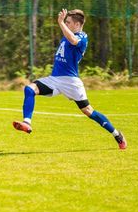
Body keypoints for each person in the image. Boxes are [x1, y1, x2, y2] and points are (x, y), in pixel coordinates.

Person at [13, 8, 127, 150]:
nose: (65, 24)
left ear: (77, 24)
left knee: (89, 111)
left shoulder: (82, 36)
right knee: (30, 89)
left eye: (68, 22)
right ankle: (27, 123)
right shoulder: (67, 34)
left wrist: (61, 23)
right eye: (65, 22)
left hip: (71, 82)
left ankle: (117, 134)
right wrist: (63, 24)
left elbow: (73, 41)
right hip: (55, 79)